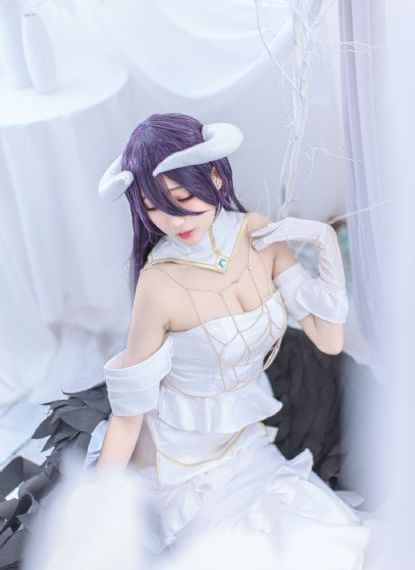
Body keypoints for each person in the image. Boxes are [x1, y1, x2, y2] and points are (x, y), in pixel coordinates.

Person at [94, 113, 370, 567]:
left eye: (183, 197)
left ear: (216, 176)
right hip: (181, 465)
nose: (172, 219)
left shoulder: (258, 232)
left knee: (320, 533)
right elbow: (128, 416)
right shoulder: (157, 284)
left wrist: (324, 243)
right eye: (152, 206)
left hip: (245, 441)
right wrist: (97, 507)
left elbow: (329, 341)